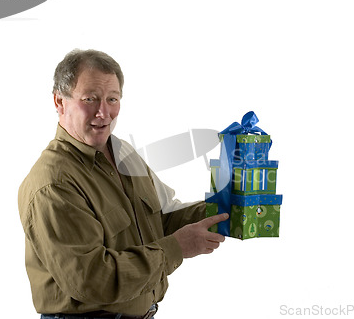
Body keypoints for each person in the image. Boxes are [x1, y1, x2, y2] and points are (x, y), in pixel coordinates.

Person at [18, 49, 228, 319]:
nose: (103, 112)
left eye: (112, 99)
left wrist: (225, 209)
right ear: (60, 101)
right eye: (90, 99)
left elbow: (161, 221)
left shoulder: (123, 154)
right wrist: (176, 248)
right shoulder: (53, 184)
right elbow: (92, 279)